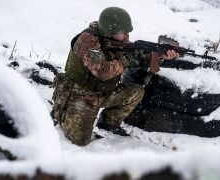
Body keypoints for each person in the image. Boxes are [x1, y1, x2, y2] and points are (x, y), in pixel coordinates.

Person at [52, 7, 179, 146]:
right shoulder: (88, 41)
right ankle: (60, 113)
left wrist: (160, 55)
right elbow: (103, 71)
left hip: (102, 92)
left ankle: (107, 126)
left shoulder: (115, 41)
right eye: (123, 33)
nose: (126, 37)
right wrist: (126, 59)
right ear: (109, 30)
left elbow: (138, 57)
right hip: (79, 95)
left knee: (135, 92)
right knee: (80, 141)